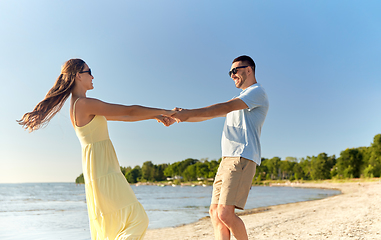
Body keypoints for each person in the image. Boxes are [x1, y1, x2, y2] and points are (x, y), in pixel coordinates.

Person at [18, 58, 174, 240]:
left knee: (117, 225)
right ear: (78, 76)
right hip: (102, 169)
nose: (92, 76)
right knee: (137, 220)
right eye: (88, 71)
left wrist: (157, 115)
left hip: (101, 168)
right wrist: (165, 111)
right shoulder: (84, 104)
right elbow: (129, 111)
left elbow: (125, 116)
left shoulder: (79, 104)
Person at [171, 55, 269, 240]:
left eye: (235, 70)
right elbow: (207, 115)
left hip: (242, 156)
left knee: (225, 213)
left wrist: (188, 113)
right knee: (215, 213)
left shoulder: (257, 92)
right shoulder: (241, 98)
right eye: (230, 72)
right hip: (227, 159)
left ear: (249, 69)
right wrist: (179, 116)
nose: (232, 75)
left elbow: (224, 107)